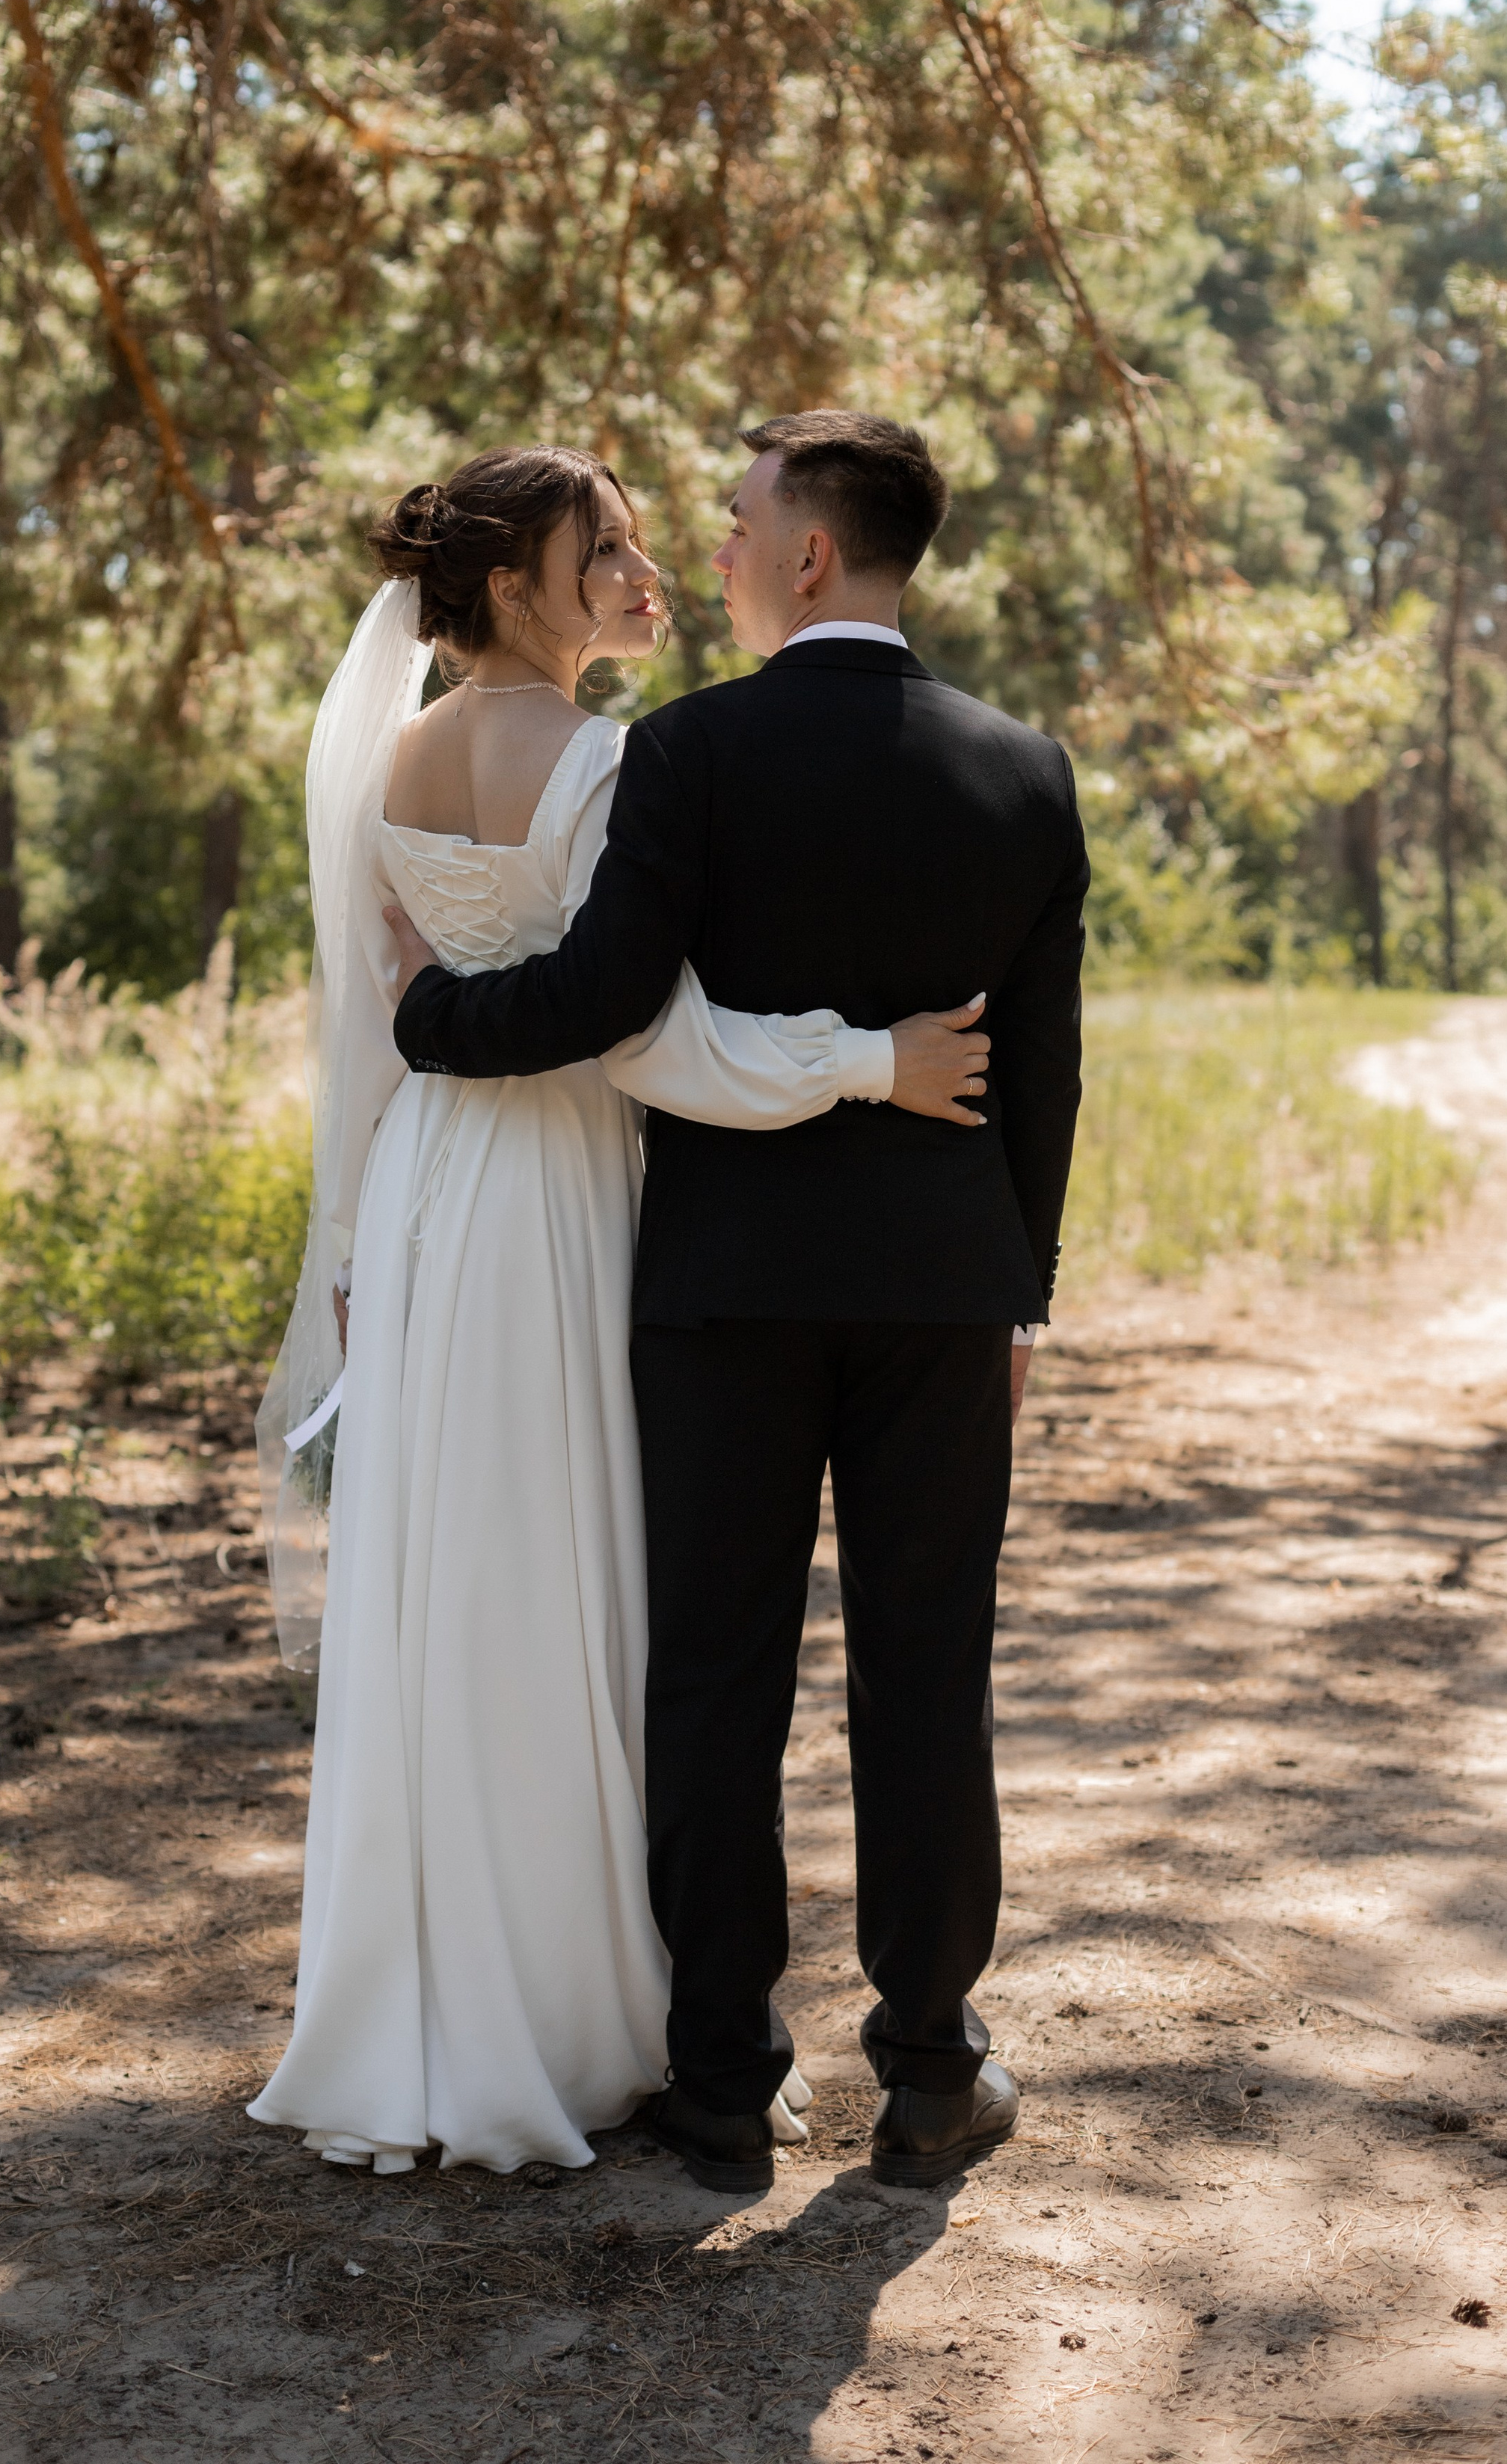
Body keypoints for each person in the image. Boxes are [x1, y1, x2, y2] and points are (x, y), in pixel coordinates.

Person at [248, 445, 988, 2178]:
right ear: (512, 585)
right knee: (569, 1578)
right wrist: (863, 1061)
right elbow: (638, 1033)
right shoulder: (597, 757)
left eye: (653, 544)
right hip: (564, 1189)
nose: (645, 571)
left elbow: (384, 1024)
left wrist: (358, 1237)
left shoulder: (389, 761)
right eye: (605, 553)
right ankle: (576, 2014)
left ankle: (429, 1998)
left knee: (454, 1577)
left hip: (433, 1191)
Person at [389, 412, 1088, 2193]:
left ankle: (719, 2080)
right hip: (940, 1292)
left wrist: (428, 1021)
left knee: (713, 1675)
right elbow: (1044, 1077)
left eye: (734, 516)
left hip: (717, 1291)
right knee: (929, 1672)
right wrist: (1017, 1304)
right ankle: (930, 2072)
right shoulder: (1023, 769)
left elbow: (607, 1000)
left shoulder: (687, 751)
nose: (707, 543)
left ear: (802, 556)